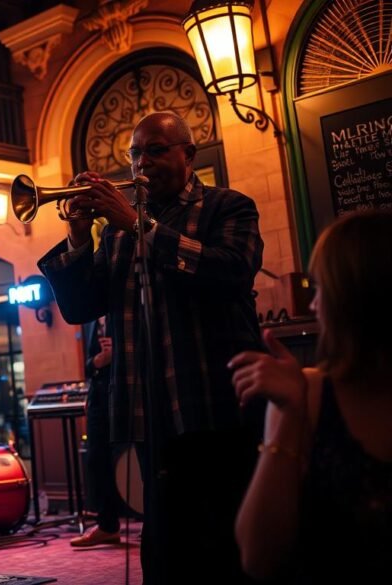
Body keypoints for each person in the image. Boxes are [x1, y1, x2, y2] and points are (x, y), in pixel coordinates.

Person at [38, 112, 263, 584]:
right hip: (148, 411)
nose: (143, 163)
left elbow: (230, 271)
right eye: (136, 153)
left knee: (224, 540)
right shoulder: (118, 232)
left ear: (189, 154)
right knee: (163, 544)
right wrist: (80, 237)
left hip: (215, 404)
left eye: (156, 150)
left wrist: (138, 225)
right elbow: (80, 307)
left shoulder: (229, 207)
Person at [230, 211, 392, 584]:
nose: (314, 305)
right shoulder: (309, 393)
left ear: (359, 298)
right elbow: (257, 557)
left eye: (321, 289)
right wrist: (288, 413)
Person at [71, 316, 122, 547]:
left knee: (134, 458)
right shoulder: (89, 321)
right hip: (98, 399)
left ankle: (150, 520)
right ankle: (107, 525)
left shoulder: (123, 313)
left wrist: (115, 356)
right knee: (96, 460)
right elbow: (87, 366)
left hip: (124, 394)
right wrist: (99, 361)